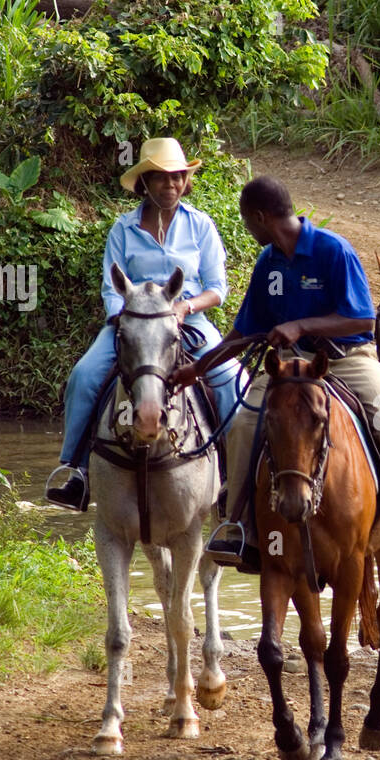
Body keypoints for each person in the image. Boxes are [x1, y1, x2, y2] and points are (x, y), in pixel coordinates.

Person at [192, 175, 380, 571]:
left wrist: (302, 325)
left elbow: (359, 317)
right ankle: (237, 525)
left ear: (260, 217)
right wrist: (197, 368)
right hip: (290, 366)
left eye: (246, 221)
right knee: (242, 424)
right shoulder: (267, 261)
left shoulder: (333, 250)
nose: (248, 229)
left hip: (348, 359)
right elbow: (244, 331)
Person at [44, 138, 242, 511]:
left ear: (186, 181)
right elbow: (112, 288)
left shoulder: (200, 226)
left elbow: (217, 289)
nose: (171, 185)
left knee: (232, 378)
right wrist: (128, 319)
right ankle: (77, 471)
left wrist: (185, 307)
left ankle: (234, 481)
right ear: (145, 183)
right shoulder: (122, 229)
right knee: (84, 376)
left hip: (189, 321)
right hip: (133, 323)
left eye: (178, 177)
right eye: (162, 178)